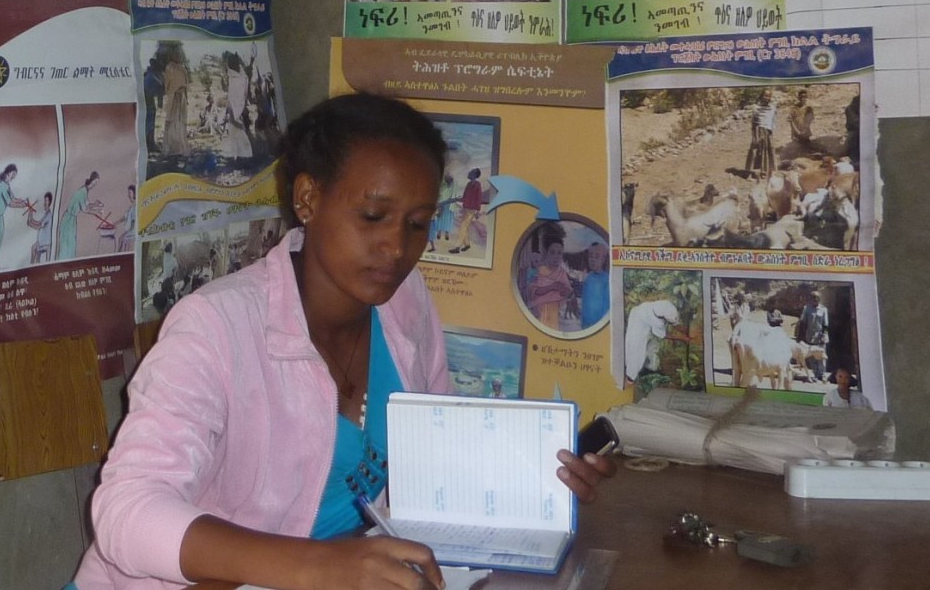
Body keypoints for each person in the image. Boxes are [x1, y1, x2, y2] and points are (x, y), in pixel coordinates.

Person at [71, 94, 613, 590]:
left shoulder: (405, 303)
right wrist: (319, 566)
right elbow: (127, 512)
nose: (396, 247)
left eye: (417, 224)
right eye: (372, 216)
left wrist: (531, 482)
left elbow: (434, 467)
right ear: (308, 198)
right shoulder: (215, 327)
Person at [450, 167, 495, 254]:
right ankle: (467, 244)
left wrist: (477, 211)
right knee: (464, 227)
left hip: (472, 210)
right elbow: (465, 197)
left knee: (463, 226)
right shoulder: (468, 184)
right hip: (466, 208)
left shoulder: (477, 185)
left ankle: (457, 247)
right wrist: (457, 199)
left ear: (474, 175)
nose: (469, 173)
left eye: (471, 172)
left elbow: (478, 198)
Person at [60, 171, 98, 259]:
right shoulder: (82, 192)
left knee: (71, 242)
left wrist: (96, 205)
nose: (95, 184)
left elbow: (87, 204)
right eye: (95, 182)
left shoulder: (85, 190)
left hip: (72, 220)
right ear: (92, 180)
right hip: (68, 220)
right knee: (67, 243)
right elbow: (84, 209)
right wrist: (96, 212)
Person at [578, 242, 611, 328]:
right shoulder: (588, 277)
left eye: (597, 256)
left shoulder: (607, 280)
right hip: (585, 326)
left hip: (599, 326)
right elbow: (584, 301)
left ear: (603, 259)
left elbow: (607, 308)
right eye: (591, 256)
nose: (593, 259)